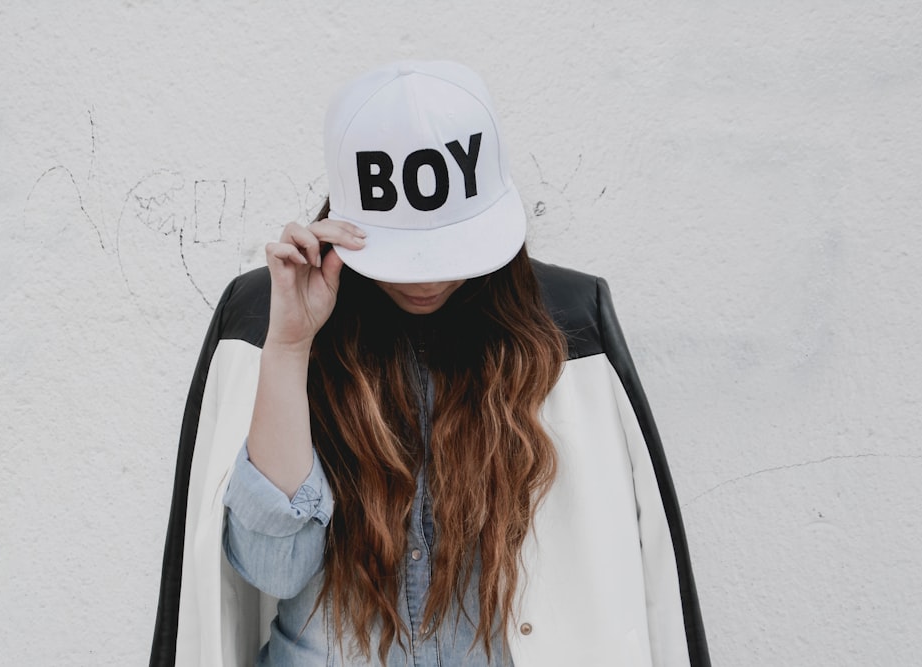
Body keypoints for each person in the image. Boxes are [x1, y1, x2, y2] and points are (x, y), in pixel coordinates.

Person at [150, 61, 710, 666]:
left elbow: (630, 582)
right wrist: (289, 346)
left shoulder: (565, 328)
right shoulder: (268, 314)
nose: (430, 279)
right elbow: (272, 568)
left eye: (451, 248)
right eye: (404, 254)